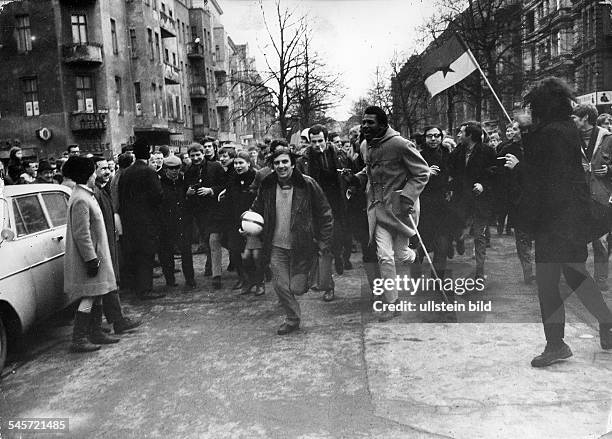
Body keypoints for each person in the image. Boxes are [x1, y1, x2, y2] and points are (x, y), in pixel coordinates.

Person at [518, 76, 612, 367]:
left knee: (548, 284)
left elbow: (542, 177)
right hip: (570, 220)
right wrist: (528, 132)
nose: (529, 112)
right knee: (576, 277)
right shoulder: (564, 129)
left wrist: (527, 133)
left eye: (532, 107)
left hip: (555, 222)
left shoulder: (550, 133)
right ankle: (608, 324)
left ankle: (556, 344)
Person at [348, 106, 429, 320]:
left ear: (383, 125)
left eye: (370, 123)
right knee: (384, 256)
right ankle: (392, 303)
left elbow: (422, 173)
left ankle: (414, 254)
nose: (365, 126)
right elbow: (369, 171)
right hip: (377, 209)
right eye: (364, 122)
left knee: (402, 255)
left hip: (402, 209)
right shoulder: (365, 145)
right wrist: (356, 179)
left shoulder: (400, 144)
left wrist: (407, 197)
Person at [250, 147, 332, 334]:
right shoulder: (267, 185)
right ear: (273, 166)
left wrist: (324, 242)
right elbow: (256, 209)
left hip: (302, 246)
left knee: (297, 288)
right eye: (277, 163)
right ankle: (292, 318)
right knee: (280, 285)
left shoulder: (308, 184)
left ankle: (298, 296)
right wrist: (247, 224)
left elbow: (325, 213)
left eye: (285, 161)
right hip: (276, 245)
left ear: (293, 164)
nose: (281, 166)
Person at [63, 156, 119, 352]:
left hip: (96, 255)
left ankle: (95, 332)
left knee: (97, 294)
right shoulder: (80, 198)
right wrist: (91, 259)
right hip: (91, 258)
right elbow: (82, 234)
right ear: (87, 175)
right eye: (94, 171)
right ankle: (78, 338)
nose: (95, 174)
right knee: (89, 297)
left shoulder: (85, 194)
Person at [92, 157, 142, 334]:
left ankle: (109, 322)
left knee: (109, 284)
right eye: (102, 169)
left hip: (108, 243)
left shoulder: (102, 189)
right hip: (102, 245)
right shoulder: (95, 193)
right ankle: (112, 323)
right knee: (107, 284)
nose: (106, 172)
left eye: (108, 168)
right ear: (93, 171)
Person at [448, 121, 497, 283]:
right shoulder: (457, 152)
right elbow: (450, 171)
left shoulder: (488, 151)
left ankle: (480, 271)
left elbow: (495, 172)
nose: (458, 135)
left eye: (461, 133)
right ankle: (459, 238)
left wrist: (484, 185)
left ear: (469, 135)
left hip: (480, 201)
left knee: (479, 236)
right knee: (456, 227)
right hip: (461, 200)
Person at [571, 103, 612, 291]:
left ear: (585, 117)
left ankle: (601, 280)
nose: (572, 120)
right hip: (579, 198)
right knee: (578, 238)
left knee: (601, 241)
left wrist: (610, 169)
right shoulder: (572, 139)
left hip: (602, 198)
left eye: (575, 117)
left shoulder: (608, 139)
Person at [118, 138, 165, 300]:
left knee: (135, 254)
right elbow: (158, 195)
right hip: (147, 221)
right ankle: (146, 289)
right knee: (146, 255)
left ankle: (137, 287)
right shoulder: (149, 172)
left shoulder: (125, 173)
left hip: (129, 221)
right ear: (148, 154)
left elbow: (122, 197)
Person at [184, 142, 226, 289]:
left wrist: (211, 190)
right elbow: (186, 188)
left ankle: (217, 275)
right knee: (207, 240)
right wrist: (188, 193)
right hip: (199, 213)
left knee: (214, 240)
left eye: (198, 155)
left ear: (203, 154)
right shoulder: (188, 170)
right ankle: (211, 264)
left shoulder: (215, 166)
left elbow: (225, 185)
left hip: (215, 211)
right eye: (192, 156)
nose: (195, 158)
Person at [415, 125, 452, 279]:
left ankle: (438, 277)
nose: (433, 139)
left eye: (437, 136)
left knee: (442, 242)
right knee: (423, 241)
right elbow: (410, 178)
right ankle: (416, 268)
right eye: (430, 136)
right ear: (424, 138)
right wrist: (426, 174)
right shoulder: (418, 156)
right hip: (425, 205)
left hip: (443, 204)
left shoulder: (447, 154)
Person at [223, 151, 260, 294]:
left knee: (252, 254)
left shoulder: (254, 177)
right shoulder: (232, 178)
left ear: (248, 163)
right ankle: (243, 279)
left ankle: (258, 281)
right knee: (234, 250)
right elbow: (229, 197)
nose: (238, 166)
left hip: (252, 221)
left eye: (241, 163)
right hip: (234, 221)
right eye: (236, 163)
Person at [158, 155, 195, 288]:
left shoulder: (183, 181)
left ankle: (190, 279)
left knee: (186, 252)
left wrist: (188, 196)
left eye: (177, 168)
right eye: (171, 168)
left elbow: (189, 203)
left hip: (183, 222)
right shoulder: (160, 183)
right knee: (166, 253)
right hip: (167, 223)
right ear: (166, 169)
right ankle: (170, 279)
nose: (174, 171)